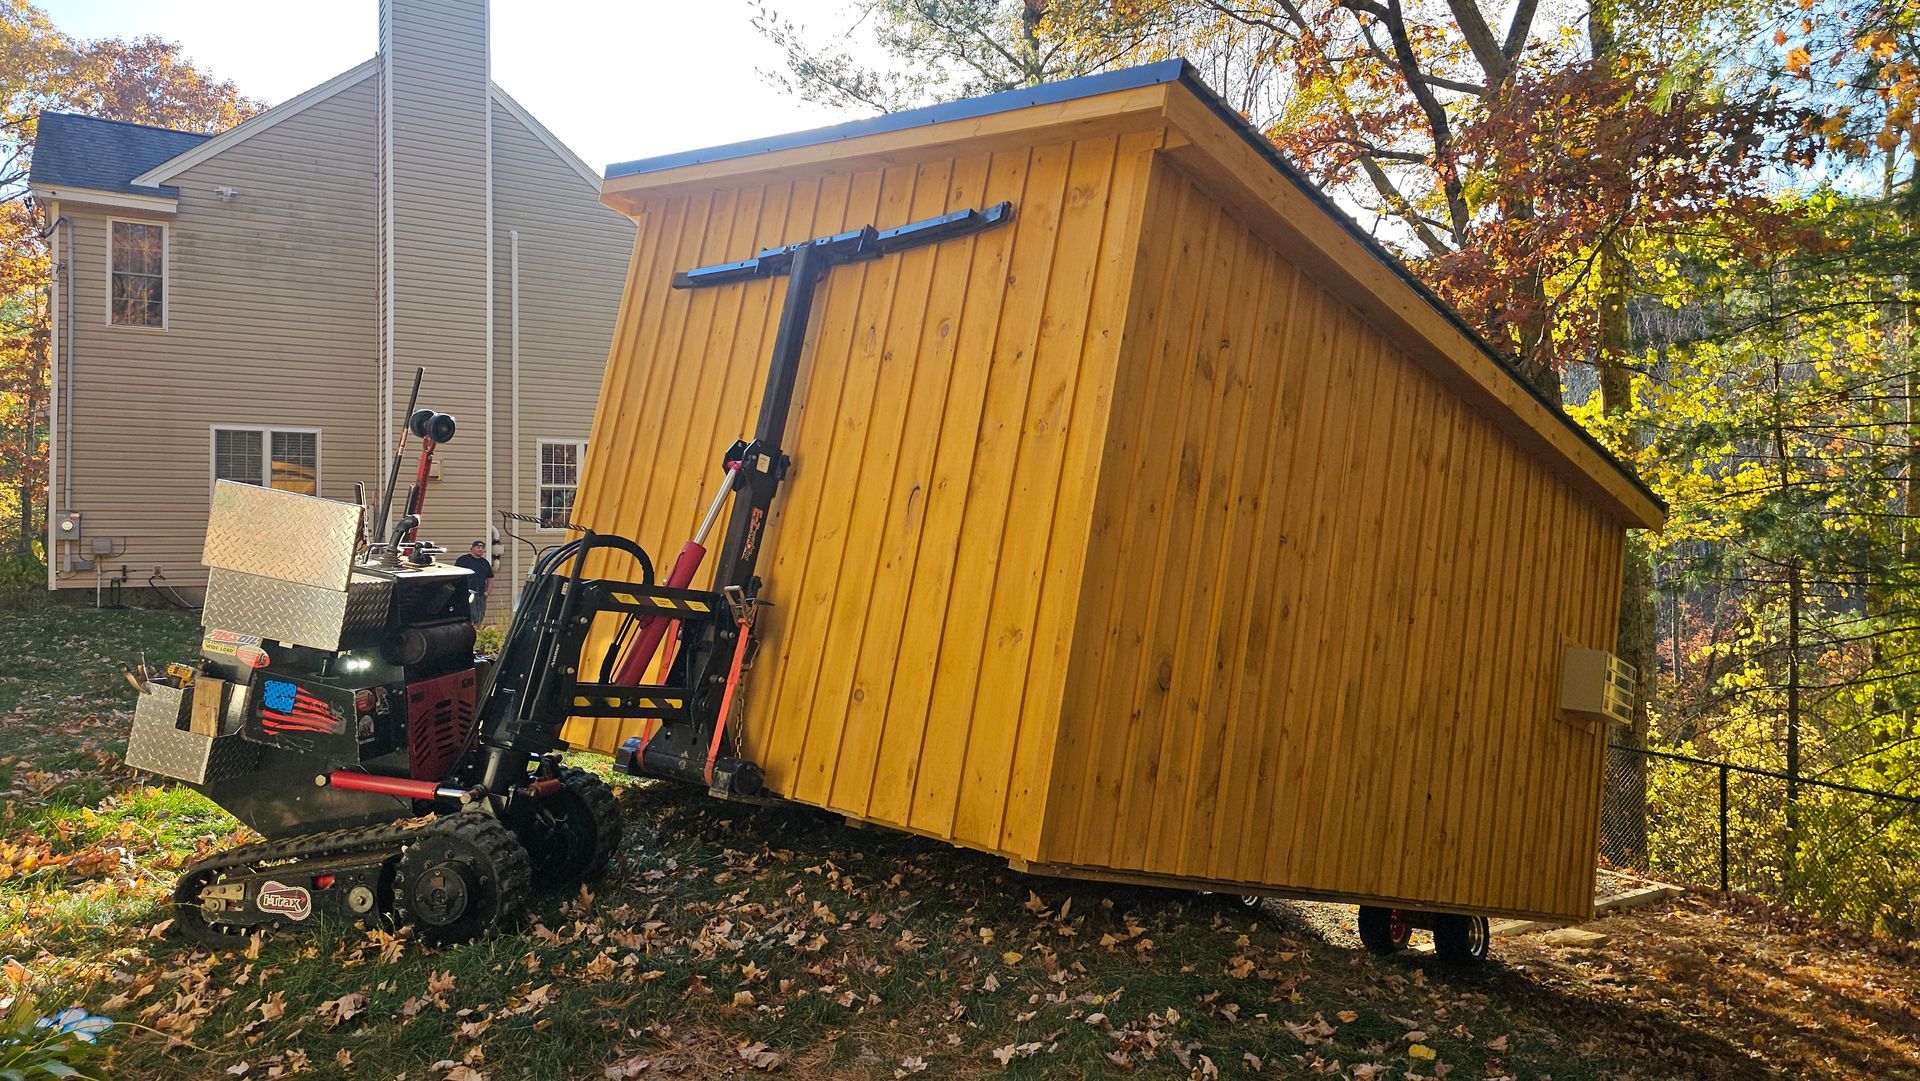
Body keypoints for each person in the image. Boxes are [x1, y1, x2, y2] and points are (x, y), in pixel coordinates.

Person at [456, 540, 495, 625]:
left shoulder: (484, 563)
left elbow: (490, 578)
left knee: (479, 617)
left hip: (480, 595)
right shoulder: (462, 560)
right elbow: (456, 577)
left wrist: (487, 592)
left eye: (482, 548)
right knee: (469, 617)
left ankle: (477, 633)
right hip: (466, 594)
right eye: (478, 547)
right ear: (472, 549)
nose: (480, 549)